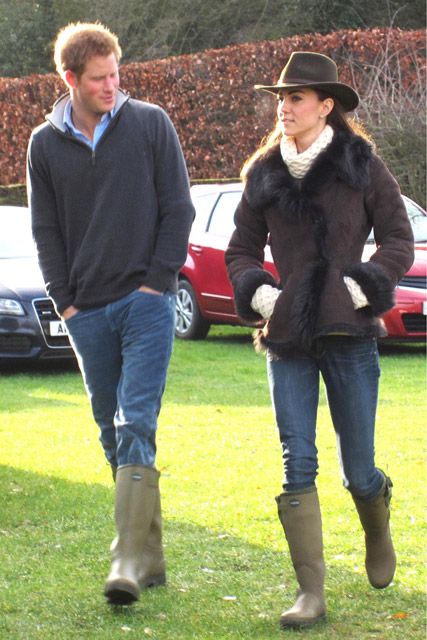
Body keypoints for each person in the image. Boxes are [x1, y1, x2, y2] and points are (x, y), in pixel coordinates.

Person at [225, 51, 414, 628]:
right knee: (296, 461)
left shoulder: (362, 163)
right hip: (287, 336)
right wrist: (262, 297)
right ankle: (311, 594)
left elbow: (399, 240)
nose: (283, 108)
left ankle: (376, 524)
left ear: (325, 106)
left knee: (359, 468)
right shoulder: (263, 172)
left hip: (351, 333)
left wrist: (364, 286)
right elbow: (239, 251)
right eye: (280, 99)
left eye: (296, 98)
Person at [27, 22, 195, 606]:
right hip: (86, 311)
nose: (111, 86)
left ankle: (124, 558)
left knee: (135, 421)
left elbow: (178, 207)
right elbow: (44, 230)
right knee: (108, 427)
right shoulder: (43, 144)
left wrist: (157, 284)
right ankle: (148, 555)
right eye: (98, 78)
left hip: (146, 303)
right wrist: (65, 301)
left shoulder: (150, 124)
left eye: (116, 74)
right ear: (69, 79)